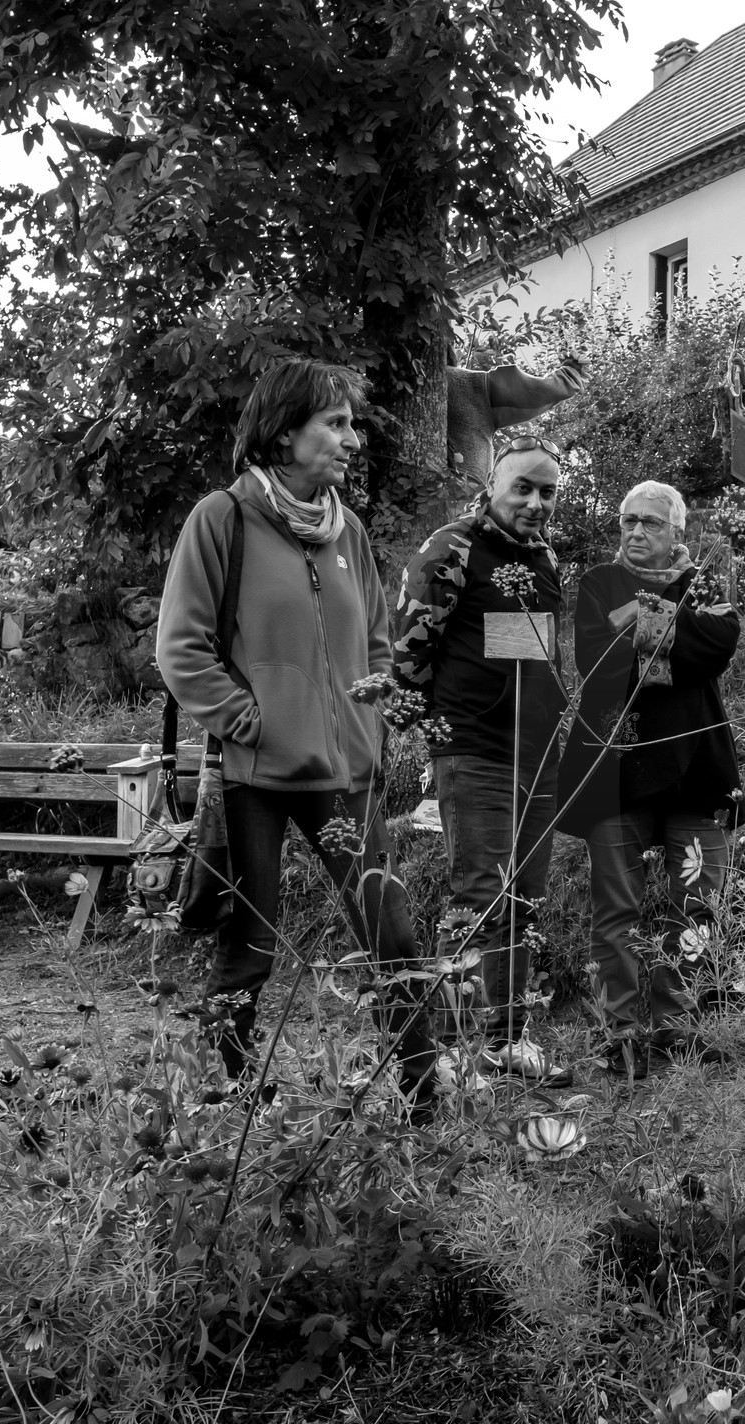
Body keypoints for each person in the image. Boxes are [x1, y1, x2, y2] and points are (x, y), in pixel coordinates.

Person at [157, 357, 437, 1109]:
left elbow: (377, 643)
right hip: (257, 776)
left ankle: (423, 1096)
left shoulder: (350, 534)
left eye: (352, 424)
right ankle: (245, 1099)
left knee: (394, 937)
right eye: (335, 424)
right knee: (250, 945)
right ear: (285, 434)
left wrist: (370, 724)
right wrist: (249, 722)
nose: (352, 439)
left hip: (348, 773)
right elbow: (180, 646)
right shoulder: (223, 519)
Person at [555, 481, 745, 1075]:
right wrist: (667, 631)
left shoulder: (706, 582)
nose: (636, 532)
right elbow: (599, 659)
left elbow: (718, 645)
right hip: (616, 768)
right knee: (618, 910)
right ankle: (621, 1034)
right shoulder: (599, 583)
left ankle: (678, 1025)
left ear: (676, 535)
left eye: (651, 524)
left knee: (698, 907)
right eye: (629, 521)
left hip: (694, 768)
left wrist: (641, 622)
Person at [392, 441, 568, 1077]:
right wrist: (434, 737)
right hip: (474, 750)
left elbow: (530, 652)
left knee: (525, 900)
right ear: (492, 485)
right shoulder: (454, 547)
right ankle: (454, 1047)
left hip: (538, 752)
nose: (535, 502)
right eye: (523, 487)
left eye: (547, 491)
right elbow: (411, 653)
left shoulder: (543, 557)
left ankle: (507, 1039)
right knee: (481, 896)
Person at [446, 358, 584, 494]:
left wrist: (568, 376)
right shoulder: (461, 381)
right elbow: (536, 392)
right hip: (466, 489)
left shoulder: (456, 381)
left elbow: (532, 392)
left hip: (459, 488)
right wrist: (569, 374)